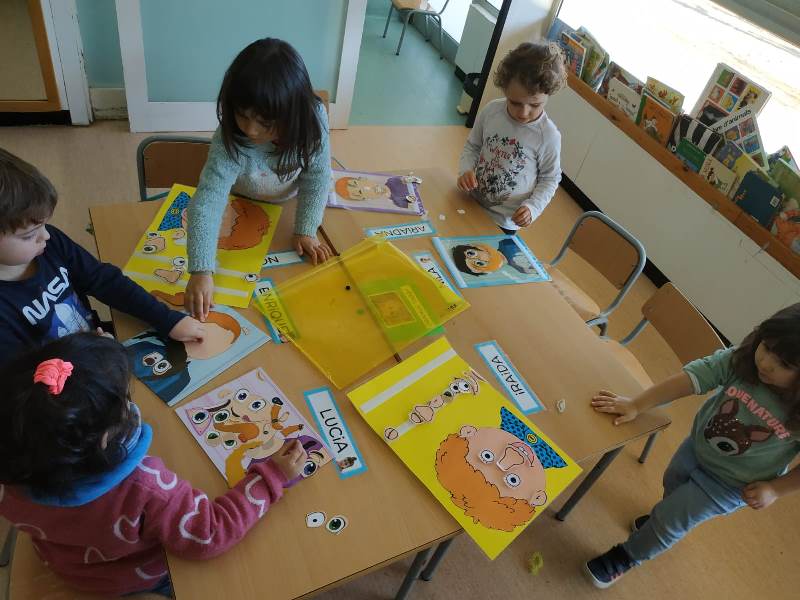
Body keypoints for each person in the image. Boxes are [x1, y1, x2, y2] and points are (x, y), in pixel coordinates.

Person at [0, 333, 307, 597]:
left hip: (67, 561)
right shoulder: (146, 486)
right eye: (122, 397)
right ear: (105, 439)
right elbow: (210, 534)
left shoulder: (15, 470)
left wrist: (101, 363)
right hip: (131, 577)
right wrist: (272, 477)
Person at [586, 303, 800, 588]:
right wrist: (637, 404)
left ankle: (627, 556)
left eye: (785, 364)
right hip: (698, 448)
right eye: (767, 346)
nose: (766, 363)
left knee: (670, 521)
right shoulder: (746, 359)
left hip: (733, 484)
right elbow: (693, 378)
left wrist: (776, 489)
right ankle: (661, 518)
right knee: (672, 482)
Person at [0, 148, 204, 367]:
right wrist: (93, 357)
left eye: (44, 225)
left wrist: (166, 319)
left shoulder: (49, 243)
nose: (46, 236)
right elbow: (22, 380)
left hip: (97, 342)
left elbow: (103, 279)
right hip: (72, 375)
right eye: (29, 235)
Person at [186, 38, 333, 320]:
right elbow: (208, 200)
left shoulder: (313, 120)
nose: (251, 130)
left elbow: (317, 177)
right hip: (240, 201)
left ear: (293, 114)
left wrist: (306, 229)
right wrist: (201, 270)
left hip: (287, 204)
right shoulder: (230, 138)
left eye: (265, 123)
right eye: (242, 115)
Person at [457, 42, 566, 234]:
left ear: (548, 94)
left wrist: (532, 208)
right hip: (470, 200)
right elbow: (473, 146)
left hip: (504, 221)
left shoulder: (548, 136)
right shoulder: (491, 111)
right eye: (515, 103)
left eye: (534, 105)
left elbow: (550, 178)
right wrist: (466, 169)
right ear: (505, 89)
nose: (523, 113)